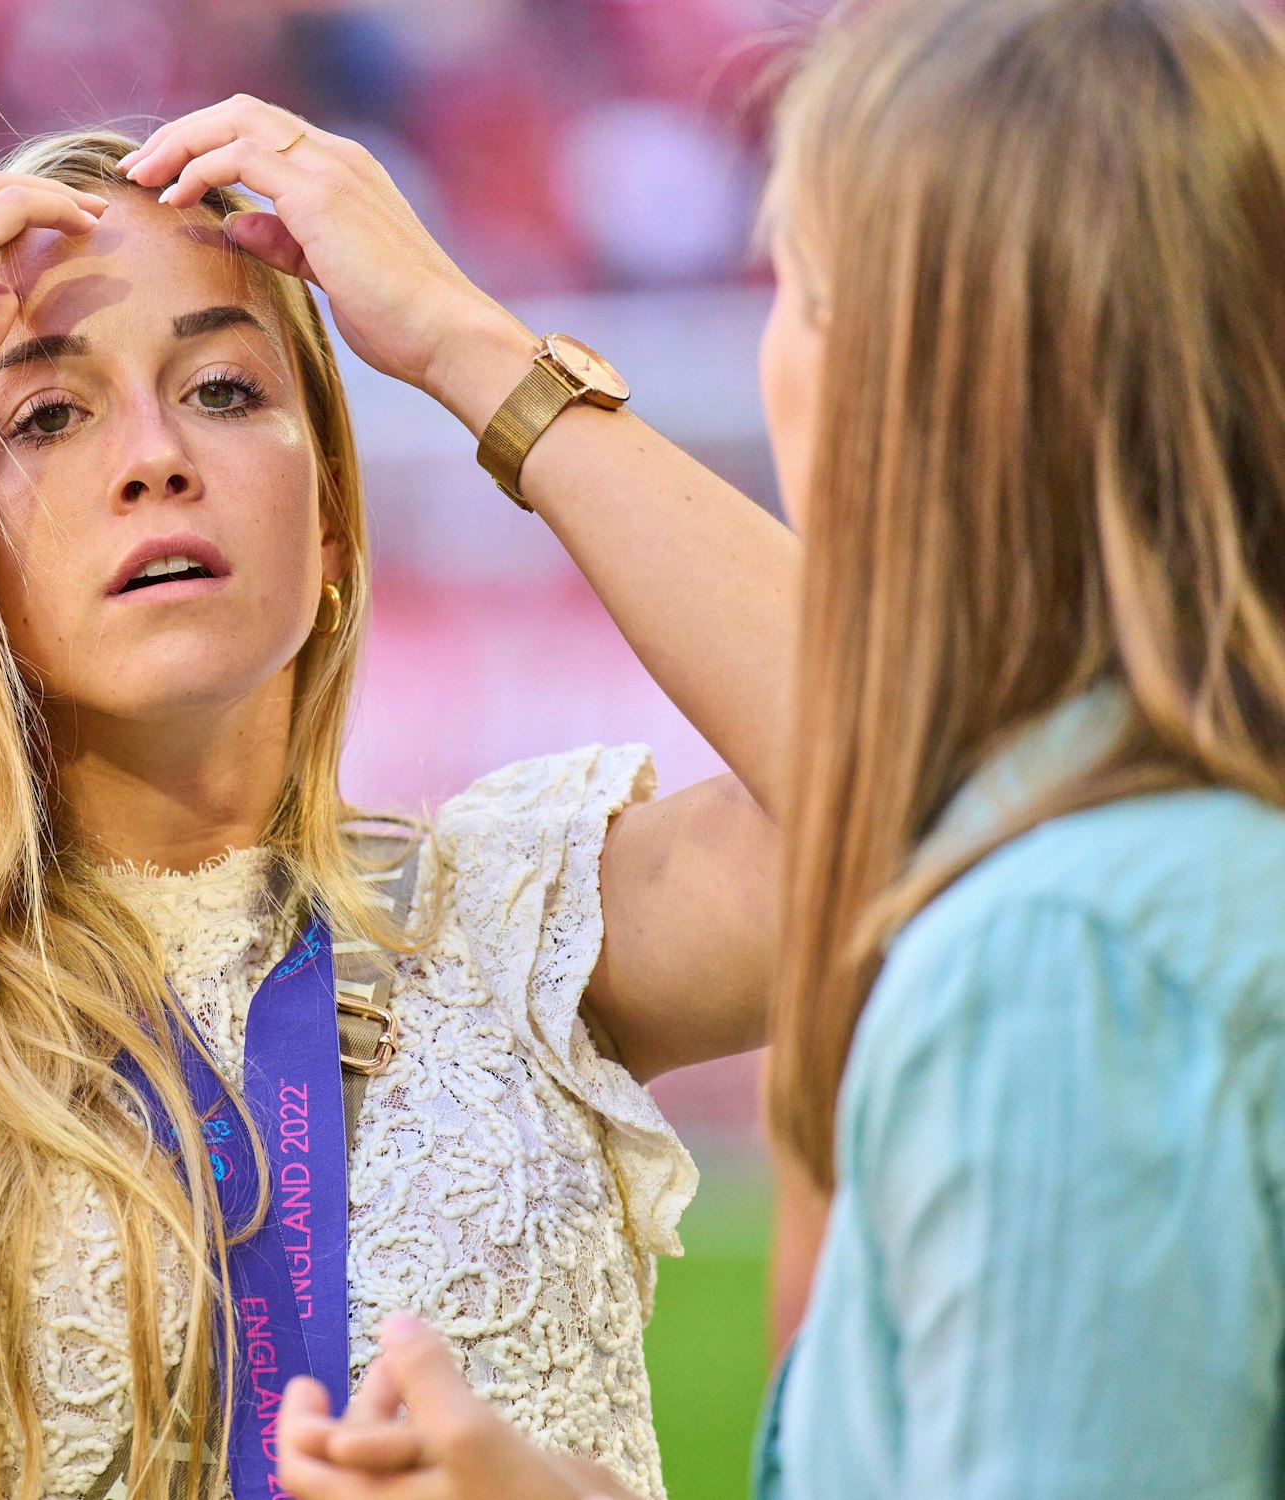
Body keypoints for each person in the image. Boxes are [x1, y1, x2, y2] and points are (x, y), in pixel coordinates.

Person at [0, 93, 798, 1500]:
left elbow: (922, 803)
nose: (157, 456)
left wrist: (465, 343)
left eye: (226, 390)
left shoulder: (520, 920)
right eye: (48, 414)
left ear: (333, 520)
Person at [273, 0, 1285, 1496]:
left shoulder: (1068, 949)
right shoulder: (1170, 860)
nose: (771, 354)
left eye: (799, 290)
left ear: (931, 380)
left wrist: (470, 348)